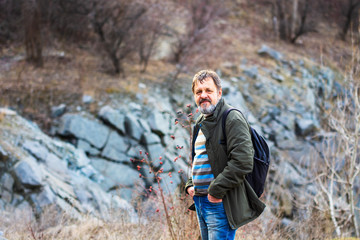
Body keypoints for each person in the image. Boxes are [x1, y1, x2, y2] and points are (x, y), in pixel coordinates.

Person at [185, 70, 265, 240]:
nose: (203, 95)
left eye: (208, 90)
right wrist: (190, 185)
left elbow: (243, 161)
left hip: (220, 202)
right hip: (200, 201)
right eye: (198, 92)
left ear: (219, 93)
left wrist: (215, 191)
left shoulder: (231, 118)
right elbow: (198, 159)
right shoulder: (200, 123)